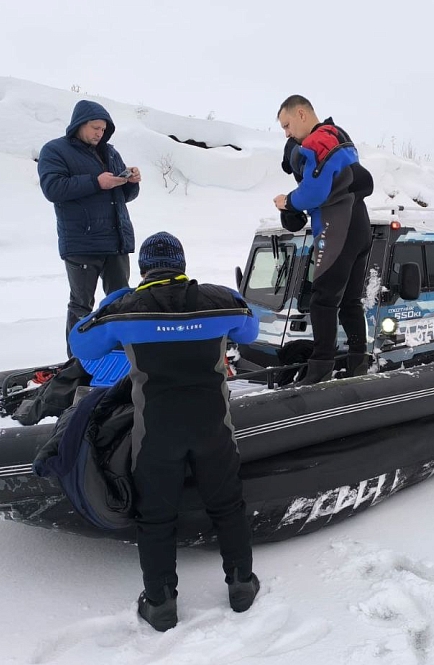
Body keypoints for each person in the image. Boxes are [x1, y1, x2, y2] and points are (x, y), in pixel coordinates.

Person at [68, 232, 261, 632]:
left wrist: (110, 302)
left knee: (155, 518)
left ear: (143, 270)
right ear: (182, 265)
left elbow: (81, 345)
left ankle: (160, 604)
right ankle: (241, 585)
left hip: (156, 432)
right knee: (227, 506)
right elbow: (250, 330)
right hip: (213, 427)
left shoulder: (125, 309)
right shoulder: (219, 301)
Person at [273, 95, 374, 384]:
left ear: (302, 114)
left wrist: (287, 202)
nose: (287, 133)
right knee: (351, 300)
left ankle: (320, 367)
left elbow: (314, 193)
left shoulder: (316, 142)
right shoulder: (339, 135)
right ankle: (357, 361)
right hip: (359, 224)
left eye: (287, 125)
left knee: (323, 300)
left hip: (338, 227)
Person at [38, 99, 141, 356]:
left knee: (119, 303)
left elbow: (121, 196)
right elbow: (53, 188)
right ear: (80, 124)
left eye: (103, 129)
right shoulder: (55, 151)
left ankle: (119, 356)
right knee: (81, 305)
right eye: (95, 127)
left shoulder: (110, 152)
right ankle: (77, 360)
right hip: (82, 243)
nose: (99, 133)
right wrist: (96, 182)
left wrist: (130, 182)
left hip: (115, 242)